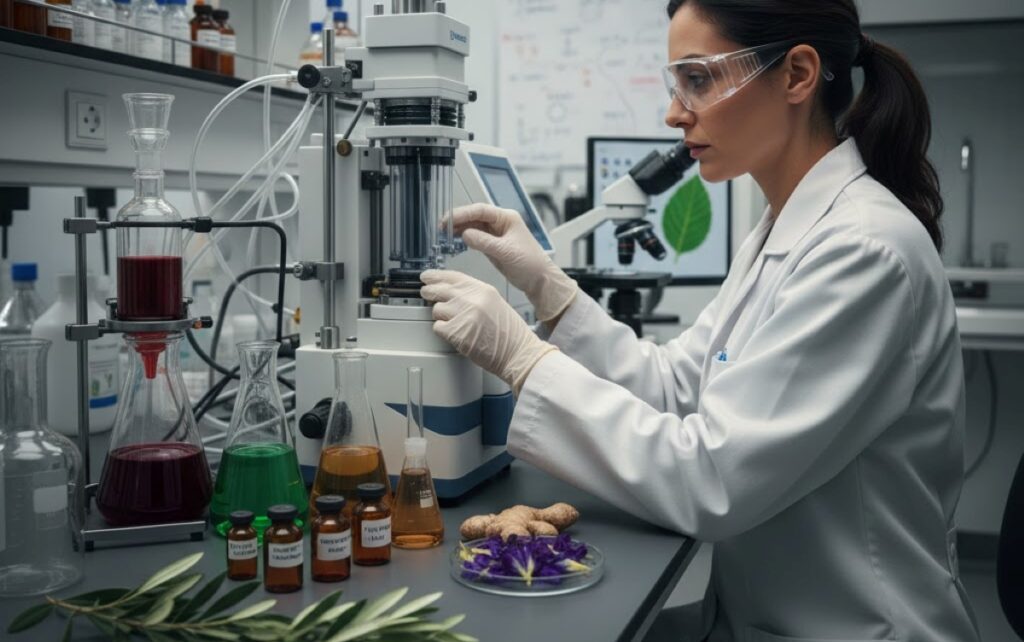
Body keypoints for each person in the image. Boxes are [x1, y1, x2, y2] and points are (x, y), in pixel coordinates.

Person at [421, 0, 979, 640]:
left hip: (855, 625)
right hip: (766, 615)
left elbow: (711, 480)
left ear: (797, 74)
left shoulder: (863, 251)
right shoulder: (782, 228)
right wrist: (550, 291)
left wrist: (523, 358)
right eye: (675, 83)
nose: (674, 111)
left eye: (699, 78)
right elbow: (678, 386)